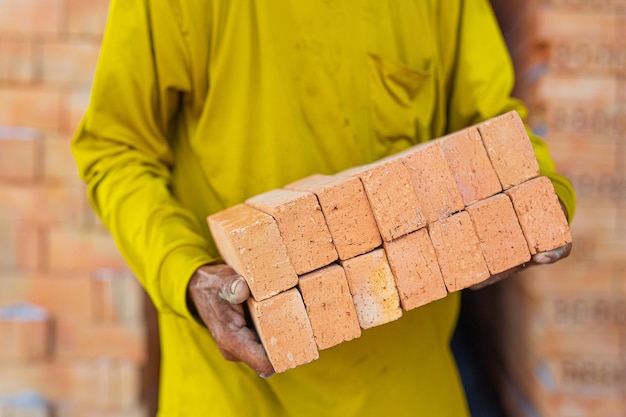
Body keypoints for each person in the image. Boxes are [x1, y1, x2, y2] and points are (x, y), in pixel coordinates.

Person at [71, 0, 575, 415]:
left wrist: (540, 202)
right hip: (234, 394)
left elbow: (494, 123)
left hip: (402, 389)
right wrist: (187, 271)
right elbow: (115, 147)